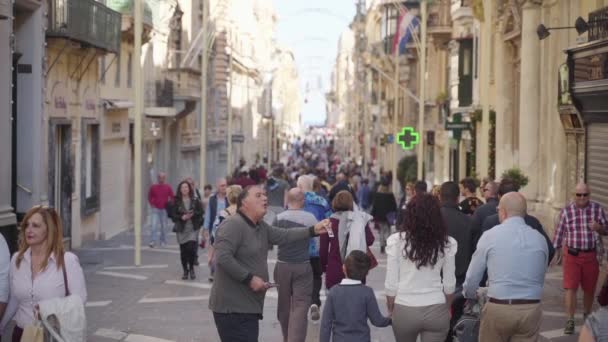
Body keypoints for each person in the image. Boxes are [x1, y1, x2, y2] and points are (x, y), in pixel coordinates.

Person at [208, 185, 330, 342]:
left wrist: (312, 230)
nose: (265, 198)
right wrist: (250, 279)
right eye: (258, 195)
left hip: (248, 307)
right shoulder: (233, 224)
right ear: (244, 202)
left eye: (265, 195)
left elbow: (284, 235)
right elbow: (223, 257)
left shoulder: (260, 226)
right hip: (232, 309)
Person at [463, 192, 548, 341]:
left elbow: (472, 277)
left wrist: (470, 296)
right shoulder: (540, 239)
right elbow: (540, 277)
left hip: (499, 308)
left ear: (502, 212)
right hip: (531, 308)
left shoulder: (490, 235)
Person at [0, 205, 87, 340]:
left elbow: (80, 300)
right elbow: (14, 300)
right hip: (22, 335)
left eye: (36, 226)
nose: (29, 230)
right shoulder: (17, 260)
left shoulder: (67, 261)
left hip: (52, 335)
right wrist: (1, 326)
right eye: (27, 225)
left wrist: (48, 309)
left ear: (49, 230)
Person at [385, 193, 457, 342]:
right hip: (436, 306)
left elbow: (391, 284)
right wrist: (447, 307)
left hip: (405, 307)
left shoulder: (396, 241)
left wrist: (391, 309)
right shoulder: (447, 243)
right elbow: (450, 284)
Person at [552, 183, 607, 335]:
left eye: (585, 194)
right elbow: (559, 232)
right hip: (572, 255)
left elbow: (606, 229)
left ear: (589, 195)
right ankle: (570, 320)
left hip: (591, 255)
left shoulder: (597, 209)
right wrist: (553, 252)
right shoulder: (566, 211)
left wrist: (599, 228)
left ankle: (587, 316)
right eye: (579, 195)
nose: (582, 198)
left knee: (589, 289)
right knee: (570, 288)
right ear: (573, 195)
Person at [274, 188, 319, 342]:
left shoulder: (278, 218)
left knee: (284, 305)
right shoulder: (311, 218)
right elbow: (316, 244)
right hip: (303, 265)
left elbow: (274, 241)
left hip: (282, 266)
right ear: (302, 201)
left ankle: (286, 337)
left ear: (288, 200)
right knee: (301, 305)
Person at [320, 250, 391, 342]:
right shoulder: (367, 292)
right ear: (366, 273)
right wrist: (390, 320)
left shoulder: (334, 292)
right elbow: (377, 320)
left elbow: (326, 324)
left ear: (343, 268)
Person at [480, 178, 555, 263]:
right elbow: (549, 250)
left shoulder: (490, 222)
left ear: (499, 196)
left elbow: (482, 254)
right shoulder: (533, 222)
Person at [320, 190, 375, 290]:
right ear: (351, 203)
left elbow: (323, 250)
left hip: (334, 271)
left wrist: (324, 267)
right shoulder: (359, 221)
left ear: (335, 203)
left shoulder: (328, 224)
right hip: (356, 271)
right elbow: (370, 240)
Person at [297, 174, 332, 321]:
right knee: (316, 276)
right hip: (316, 246)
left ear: (299, 187)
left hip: (298, 246)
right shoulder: (321, 201)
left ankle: (301, 304)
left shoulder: (296, 201)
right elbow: (329, 221)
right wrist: (331, 239)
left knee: (299, 277)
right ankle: (314, 301)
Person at [169, 180, 204, 280]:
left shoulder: (195, 199)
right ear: (180, 190)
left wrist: (193, 214)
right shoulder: (176, 201)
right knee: (183, 251)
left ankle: (192, 268)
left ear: (189, 189)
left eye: (186, 187)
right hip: (181, 229)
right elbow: (173, 215)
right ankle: (185, 270)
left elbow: (201, 212)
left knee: (191, 248)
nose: (185, 189)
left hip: (192, 228)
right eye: (182, 187)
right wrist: (182, 217)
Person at [204, 178, 228, 281]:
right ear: (217, 187)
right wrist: (205, 229)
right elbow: (208, 214)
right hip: (214, 230)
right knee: (212, 253)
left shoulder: (229, 199)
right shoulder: (212, 199)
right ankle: (213, 272)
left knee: (223, 252)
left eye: (225, 185)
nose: (224, 187)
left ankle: (221, 272)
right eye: (222, 186)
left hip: (227, 230)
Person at [148, 172, 174, 248]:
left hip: (164, 210)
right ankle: (152, 241)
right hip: (155, 209)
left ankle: (162, 241)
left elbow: (172, 197)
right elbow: (150, 196)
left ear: (165, 178)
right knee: (153, 226)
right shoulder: (153, 187)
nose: (161, 179)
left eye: (163, 177)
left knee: (164, 226)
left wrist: (170, 205)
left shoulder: (168, 187)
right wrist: (151, 204)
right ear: (157, 178)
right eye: (160, 177)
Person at [370, 183, 397, 254]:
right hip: (388, 217)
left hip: (380, 216)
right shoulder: (391, 195)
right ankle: (387, 244)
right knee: (387, 230)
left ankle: (382, 245)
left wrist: (373, 215)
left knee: (381, 231)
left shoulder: (377, 195)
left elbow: (374, 206)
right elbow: (394, 206)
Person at [471, 180, 499, 249]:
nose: (483, 191)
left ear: (489, 191)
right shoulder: (505, 207)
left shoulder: (480, 210)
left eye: (484, 190)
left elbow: (473, 232)